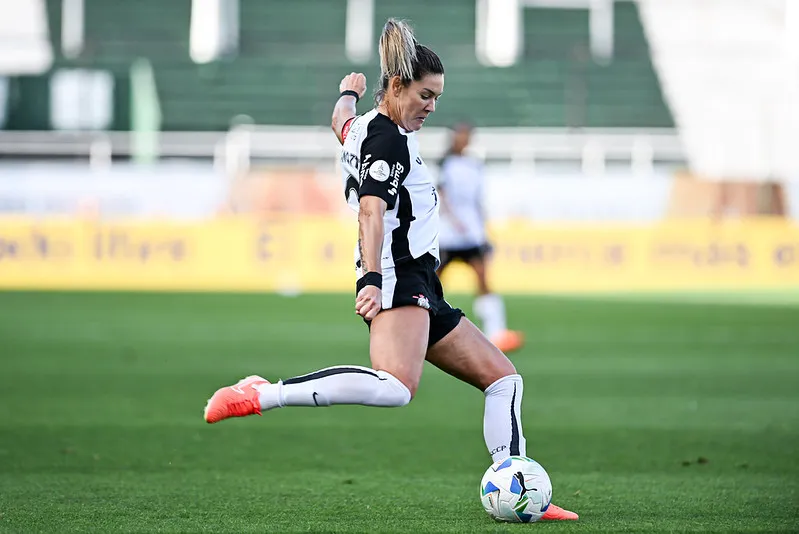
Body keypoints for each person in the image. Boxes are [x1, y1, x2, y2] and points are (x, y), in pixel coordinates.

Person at [202, 18, 577, 522]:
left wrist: (346, 93)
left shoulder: (363, 126)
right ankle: (263, 393)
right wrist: (372, 281)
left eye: (438, 97)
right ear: (397, 86)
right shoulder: (387, 141)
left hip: (422, 281)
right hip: (398, 276)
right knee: (395, 387)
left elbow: (339, 121)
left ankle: (521, 488)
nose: (431, 107)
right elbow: (371, 211)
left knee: (504, 380)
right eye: (425, 95)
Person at [436, 123, 524, 354]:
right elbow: (441, 195)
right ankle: (421, 325)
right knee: (432, 283)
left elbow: (478, 202)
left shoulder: (474, 166)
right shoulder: (445, 164)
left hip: (472, 234)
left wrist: (485, 231)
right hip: (448, 233)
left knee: (483, 280)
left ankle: (497, 332)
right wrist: (453, 220)